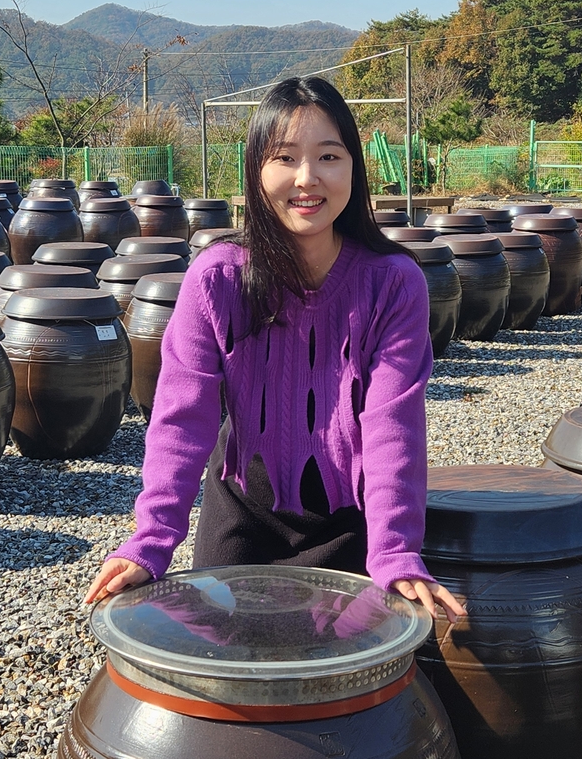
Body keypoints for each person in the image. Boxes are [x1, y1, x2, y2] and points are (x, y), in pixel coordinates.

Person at [83, 76, 465, 622]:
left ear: (354, 169)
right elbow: (180, 418)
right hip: (242, 513)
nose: (307, 179)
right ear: (257, 172)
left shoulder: (394, 282)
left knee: (343, 680)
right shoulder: (215, 279)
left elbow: (392, 422)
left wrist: (396, 549)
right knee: (233, 674)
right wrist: (152, 540)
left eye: (328, 156)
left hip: (351, 520)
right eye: (284, 157)